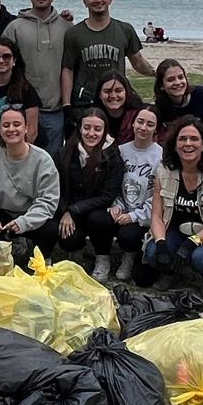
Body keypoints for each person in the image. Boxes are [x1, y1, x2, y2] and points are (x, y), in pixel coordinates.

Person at [146, 115, 203, 293]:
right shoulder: (163, 171)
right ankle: (170, 272)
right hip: (174, 229)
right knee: (153, 250)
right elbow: (156, 215)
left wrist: (192, 242)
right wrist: (161, 243)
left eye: (194, 139)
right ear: (175, 145)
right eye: (182, 139)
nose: (188, 144)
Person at [0, 106, 59, 266]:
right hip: (3, 214)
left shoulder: (43, 160)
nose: (11, 129)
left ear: (26, 128)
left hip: (31, 214)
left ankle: (43, 260)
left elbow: (48, 201)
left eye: (17, 124)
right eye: (6, 125)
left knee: (50, 228)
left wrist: (24, 222)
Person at [0, 0, 70, 160]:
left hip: (55, 108)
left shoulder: (67, 27)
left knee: (52, 159)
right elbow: (2, 64)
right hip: (22, 106)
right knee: (19, 157)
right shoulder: (15, 27)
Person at [60, 0, 151, 114]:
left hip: (115, 99)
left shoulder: (125, 30)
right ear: (84, 1)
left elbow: (137, 61)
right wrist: (67, 105)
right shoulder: (74, 33)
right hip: (84, 101)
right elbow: (68, 71)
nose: (97, 0)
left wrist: (156, 73)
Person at [55, 107, 123, 278]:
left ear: (104, 131)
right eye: (87, 128)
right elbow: (58, 188)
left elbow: (108, 195)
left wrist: (74, 210)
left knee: (99, 220)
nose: (91, 133)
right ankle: (76, 252)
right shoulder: (65, 152)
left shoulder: (112, 154)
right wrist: (66, 210)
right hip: (70, 207)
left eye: (97, 129)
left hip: (98, 209)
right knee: (67, 237)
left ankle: (102, 257)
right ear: (79, 128)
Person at [108, 106, 161, 283]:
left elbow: (157, 196)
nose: (143, 127)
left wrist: (133, 216)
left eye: (150, 124)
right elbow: (113, 184)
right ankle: (103, 258)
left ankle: (131, 255)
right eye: (140, 121)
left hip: (144, 216)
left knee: (128, 236)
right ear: (133, 123)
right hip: (122, 208)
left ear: (156, 129)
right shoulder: (121, 151)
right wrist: (117, 205)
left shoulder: (160, 156)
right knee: (100, 220)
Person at [0, 36, 45, 154]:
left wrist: (20, 154)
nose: (1, 60)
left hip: (27, 149)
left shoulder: (26, 88)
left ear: (14, 60)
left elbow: (32, 130)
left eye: (6, 56)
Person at [151, 58, 203, 160]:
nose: (178, 82)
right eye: (170, 79)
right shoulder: (161, 105)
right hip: (195, 140)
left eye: (181, 77)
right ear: (161, 86)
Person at [95, 72, 146, 144]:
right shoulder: (92, 117)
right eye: (107, 91)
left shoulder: (140, 115)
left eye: (118, 90)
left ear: (126, 92)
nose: (113, 95)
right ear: (100, 95)